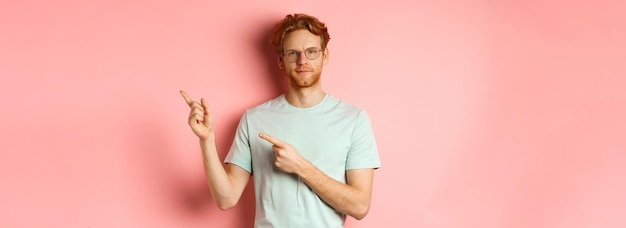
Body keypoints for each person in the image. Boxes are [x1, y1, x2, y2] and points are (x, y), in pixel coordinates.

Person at [180, 13, 381, 227]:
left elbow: (360, 206)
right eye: (293, 53)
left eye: (311, 52)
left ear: (325, 56)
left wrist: (300, 167)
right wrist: (207, 140)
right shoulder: (254, 119)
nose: (302, 61)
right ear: (280, 60)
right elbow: (226, 198)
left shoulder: (353, 120)